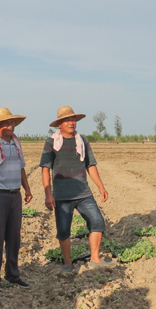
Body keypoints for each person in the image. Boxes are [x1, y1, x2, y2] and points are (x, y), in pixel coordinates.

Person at [40, 106, 110, 272]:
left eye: (73, 119)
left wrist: (101, 186)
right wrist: (48, 194)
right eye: (67, 120)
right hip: (62, 196)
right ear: (60, 124)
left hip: (83, 193)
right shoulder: (51, 142)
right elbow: (45, 169)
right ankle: (67, 263)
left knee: (97, 222)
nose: (71, 123)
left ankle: (95, 258)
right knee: (63, 231)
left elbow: (90, 165)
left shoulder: (82, 141)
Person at [0, 107, 33, 291]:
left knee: (14, 238)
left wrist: (27, 188)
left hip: (14, 195)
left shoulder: (16, 144)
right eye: (7, 123)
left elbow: (21, 168)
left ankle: (12, 274)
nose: (11, 126)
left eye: (12, 122)